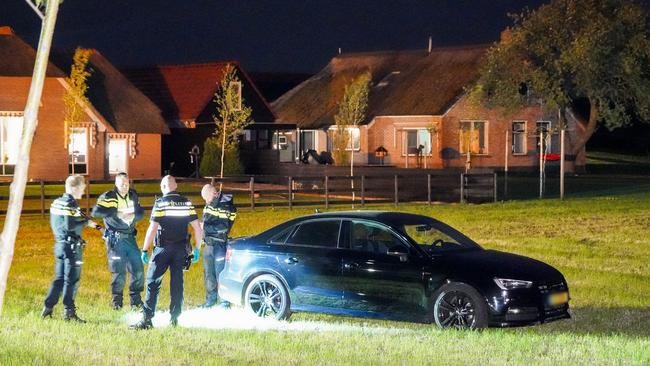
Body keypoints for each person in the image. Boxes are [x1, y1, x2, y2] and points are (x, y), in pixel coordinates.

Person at [130, 175, 202, 329]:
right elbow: (197, 227)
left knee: (152, 282)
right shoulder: (186, 202)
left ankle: (147, 320)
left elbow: (153, 228)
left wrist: (144, 249)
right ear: (175, 186)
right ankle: (174, 319)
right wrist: (197, 249)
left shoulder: (160, 203)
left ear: (163, 187)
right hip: (181, 249)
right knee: (177, 284)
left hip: (162, 249)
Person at [41, 175, 100, 323]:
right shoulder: (70, 204)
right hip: (71, 248)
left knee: (59, 279)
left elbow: (63, 223)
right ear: (74, 188)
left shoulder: (57, 202)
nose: (84, 189)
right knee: (71, 280)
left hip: (60, 245)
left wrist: (90, 223)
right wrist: (85, 223)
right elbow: (70, 226)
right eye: (82, 187)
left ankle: (47, 308)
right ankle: (69, 313)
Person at [91, 172, 145, 310]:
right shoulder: (109, 196)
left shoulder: (133, 195)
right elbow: (96, 212)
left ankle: (136, 301)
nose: (125, 186)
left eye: (127, 183)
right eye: (122, 184)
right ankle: (117, 302)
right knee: (119, 272)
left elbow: (140, 213)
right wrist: (116, 213)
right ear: (116, 184)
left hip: (130, 238)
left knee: (138, 269)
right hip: (115, 240)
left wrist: (133, 214)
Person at [199, 184, 237, 308]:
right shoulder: (212, 204)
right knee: (209, 273)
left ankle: (224, 302)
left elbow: (223, 227)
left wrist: (203, 227)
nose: (206, 202)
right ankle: (211, 300)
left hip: (219, 244)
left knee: (220, 273)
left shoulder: (224, 205)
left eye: (206, 198)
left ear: (211, 194)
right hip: (209, 244)